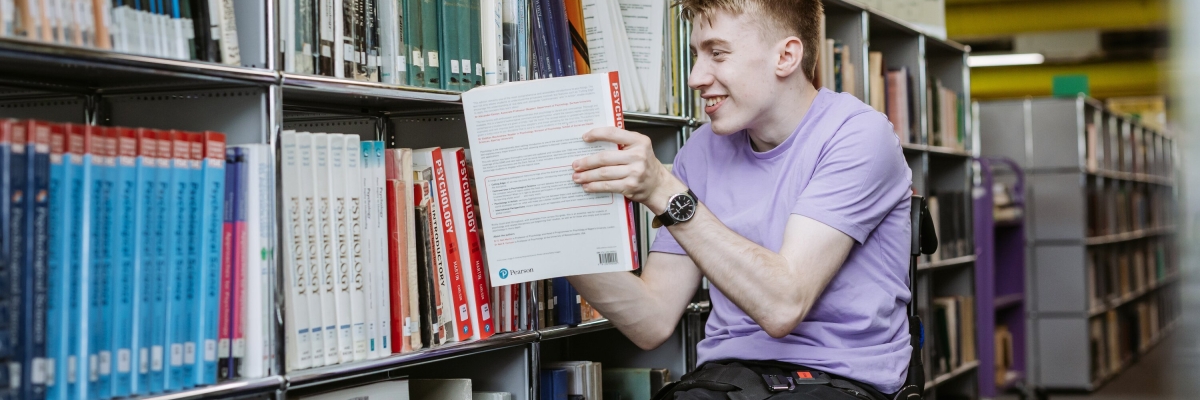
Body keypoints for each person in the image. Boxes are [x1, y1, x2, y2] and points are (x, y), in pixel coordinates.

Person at [566, 0, 915, 399]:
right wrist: (551, 243)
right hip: (730, 380)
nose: (696, 77)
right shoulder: (701, 150)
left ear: (785, 56)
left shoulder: (858, 135)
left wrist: (664, 191)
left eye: (717, 53)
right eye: (695, 55)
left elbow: (783, 306)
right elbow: (652, 319)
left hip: (840, 381)